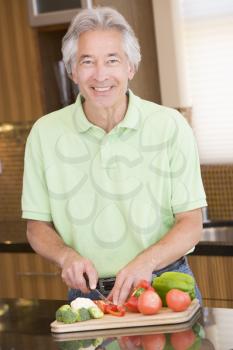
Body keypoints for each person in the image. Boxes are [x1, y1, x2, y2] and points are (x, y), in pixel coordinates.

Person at [21, 6, 207, 306]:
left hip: (163, 287)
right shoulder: (44, 134)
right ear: (72, 71)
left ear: (130, 67)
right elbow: (36, 226)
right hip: (89, 295)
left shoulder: (169, 125)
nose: (100, 74)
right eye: (87, 61)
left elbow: (191, 222)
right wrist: (65, 255)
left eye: (112, 60)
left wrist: (146, 262)